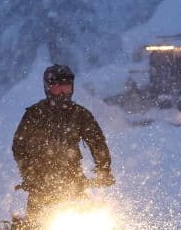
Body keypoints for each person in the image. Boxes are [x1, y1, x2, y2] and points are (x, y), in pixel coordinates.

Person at [12, 64, 115, 216]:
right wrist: (29, 173)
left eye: (66, 88)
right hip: (40, 186)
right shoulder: (34, 114)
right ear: (48, 89)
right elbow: (19, 147)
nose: (62, 93)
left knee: (96, 224)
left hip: (74, 182)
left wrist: (103, 170)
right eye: (57, 88)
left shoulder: (80, 114)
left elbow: (97, 143)